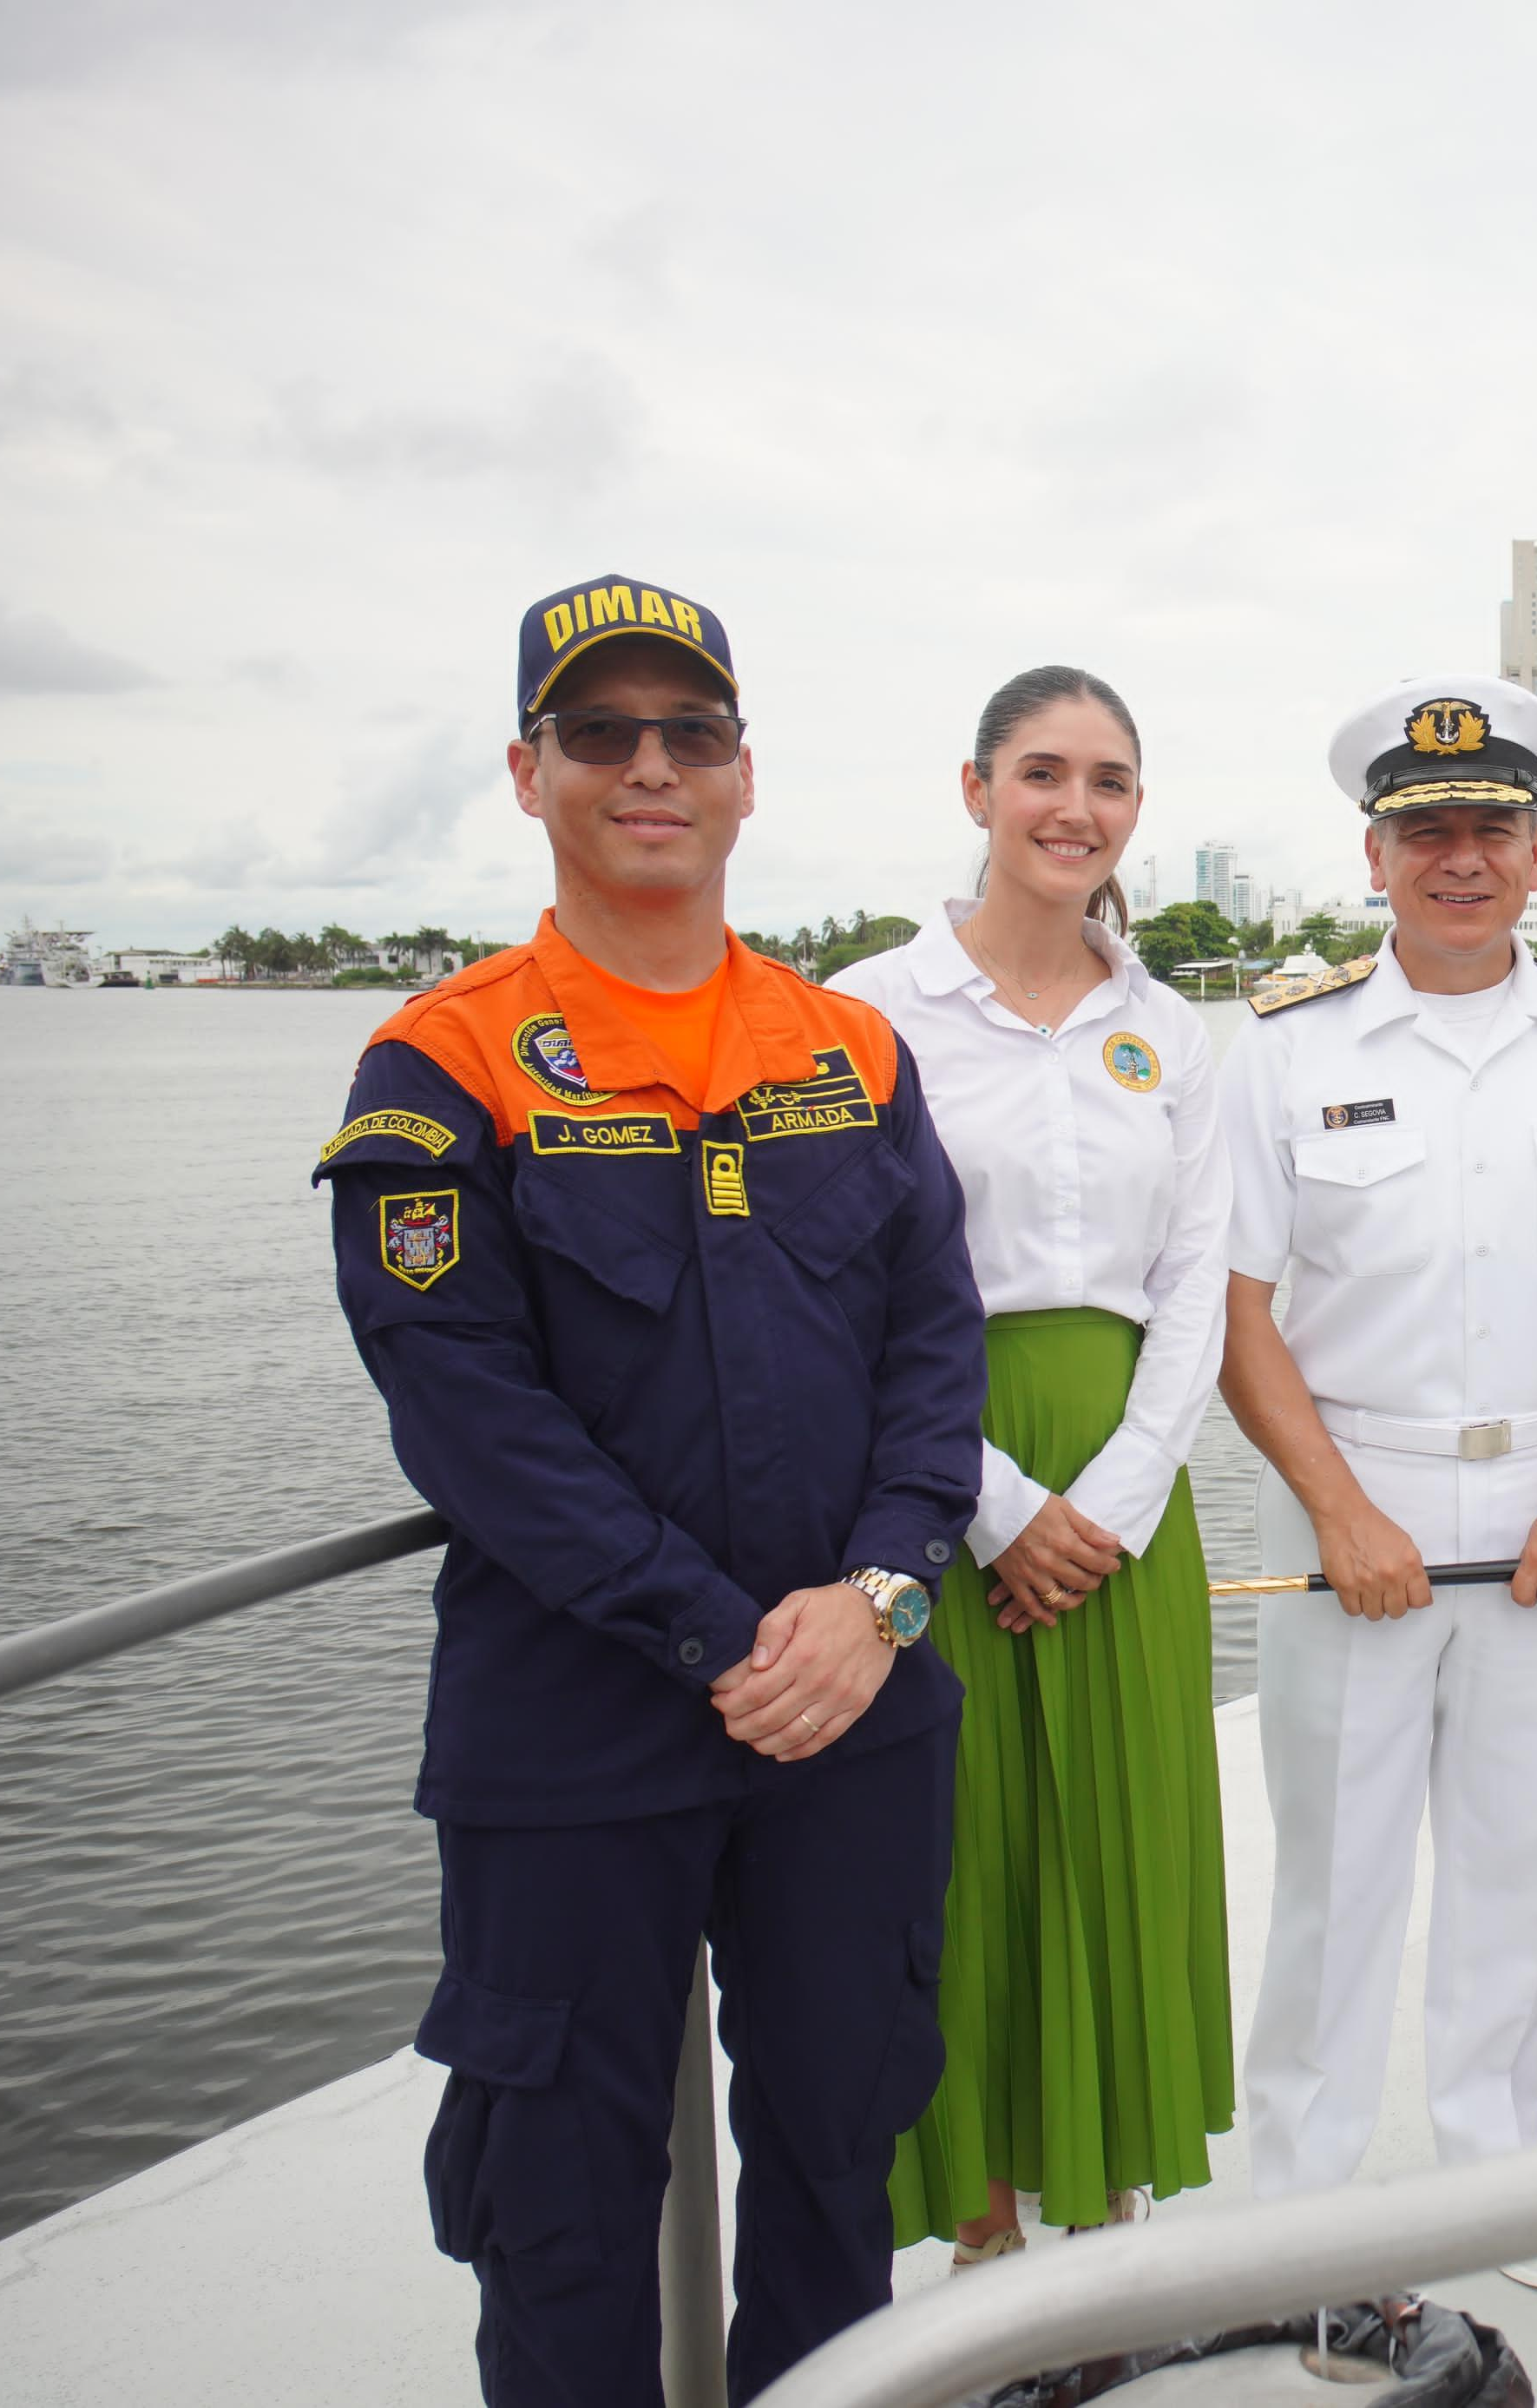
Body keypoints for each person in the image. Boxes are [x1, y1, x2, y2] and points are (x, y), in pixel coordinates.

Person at [315, 576, 983, 2404]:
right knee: (564, 2208)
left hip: (851, 1712)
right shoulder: (442, 1065)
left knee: (841, 2160)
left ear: (745, 774)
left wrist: (881, 1599)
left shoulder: (847, 1051)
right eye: (599, 732)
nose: (649, 766)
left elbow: (938, 1353)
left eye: (689, 732)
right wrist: (724, 1635)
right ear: (529, 771)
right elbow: (467, 1420)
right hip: (574, 1732)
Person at [1217, 675, 1537, 2290]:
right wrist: (1342, 1511)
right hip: (1347, 1493)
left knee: (1514, 1863)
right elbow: (1236, 1309)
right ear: (1372, 854)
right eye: (1424, 829)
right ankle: (1299, 2218)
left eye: (1490, 828)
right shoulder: (1282, 1053)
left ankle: (1494, 2181)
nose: (1460, 858)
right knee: (1335, 1881)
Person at [828, 666, 1236, 2269]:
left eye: (1111, 780)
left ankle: (1106, 2222)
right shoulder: (871, 1009)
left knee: (1121, 1839)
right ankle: (986, 2241)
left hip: (1130, 1488)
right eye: (1044, 771)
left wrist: (1120, 1499)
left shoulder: (1173, 1028)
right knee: (966, 1845)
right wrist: (993, 1503)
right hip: (935, 1463)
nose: (1077, 807)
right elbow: (847, 1279)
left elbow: (1200, 1282)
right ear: (977, 790)